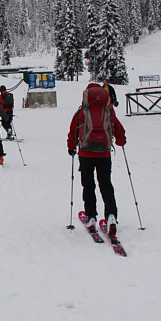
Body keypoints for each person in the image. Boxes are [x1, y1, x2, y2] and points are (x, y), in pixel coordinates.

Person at [67, 82, 126, 233]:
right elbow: (119, 129)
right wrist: (121, 141)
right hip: (104, 153)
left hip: (85, 154)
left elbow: (73, 130)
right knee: (106, 184)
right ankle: (111, 216)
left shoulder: (82, 111)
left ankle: (91, 216)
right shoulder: (108, 111)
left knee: (88, 185)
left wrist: (71, 147)